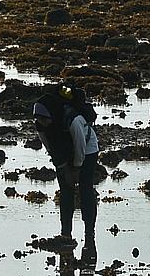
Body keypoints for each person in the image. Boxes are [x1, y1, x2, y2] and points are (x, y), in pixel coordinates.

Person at [32, 81, 100, 260]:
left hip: (87, 148)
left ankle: (89, 233)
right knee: (66, 191)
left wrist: (76, 168)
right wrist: (63, 168)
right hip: (63, 151)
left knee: (85, 189)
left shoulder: (74, 120)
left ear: (52, 115)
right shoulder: (40, 125)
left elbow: (80, 147)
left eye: (45, 119)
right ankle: (66, 233)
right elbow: (51, 149)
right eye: (39, 119)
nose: (42, 122)